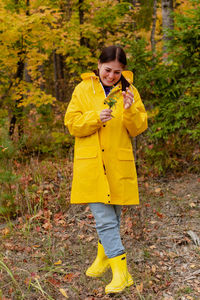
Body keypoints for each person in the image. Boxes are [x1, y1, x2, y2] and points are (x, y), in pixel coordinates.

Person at [64, 45, 148, 294]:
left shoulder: (129, 91)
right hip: (91, 165)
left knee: (113, 218)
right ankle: (122, 273)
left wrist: (131, 109)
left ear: (123, 71)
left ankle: (103, 258)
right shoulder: (82, 89)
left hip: (117, 163)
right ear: (99, 65)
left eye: (117, 72)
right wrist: (94, 118)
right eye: (107, 70)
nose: (111, 76)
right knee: (104, 219)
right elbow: (71, 123)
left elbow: (138, 128)